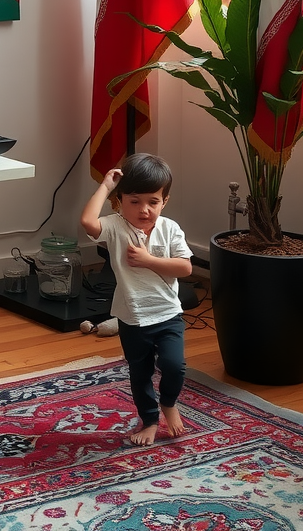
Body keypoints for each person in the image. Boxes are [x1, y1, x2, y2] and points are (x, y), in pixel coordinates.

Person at [80, 153, 193, 446]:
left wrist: (148, 259)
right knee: (139, 372)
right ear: (120, 201)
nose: (144, 210)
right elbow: (87, 221)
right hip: (132, 317)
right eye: (134, 201)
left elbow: (185, 267)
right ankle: (150, 420)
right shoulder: (116, 227)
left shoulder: (170, 229)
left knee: (174, 365)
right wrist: (106, 186)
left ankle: (168, 402)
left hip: (168, 314)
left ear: (164, 201)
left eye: (153, 202)